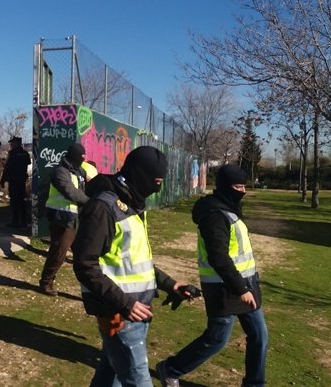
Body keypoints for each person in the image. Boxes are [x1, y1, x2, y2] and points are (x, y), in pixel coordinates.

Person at [72, 146, 198, 386]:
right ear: (137, 175)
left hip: (138, 311)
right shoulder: (103, 207)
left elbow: (133, 261)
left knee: (110, 377)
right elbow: (84, 264)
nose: (156, 188)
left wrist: (170, 284)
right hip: (120, 315)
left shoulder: (132, 204)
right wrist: (125, 303)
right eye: (154, 182)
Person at [156, 164, 268, 387]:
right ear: (226, 187)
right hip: (224, 288)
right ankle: (170, 369)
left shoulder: (229, 210)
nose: (242, 190)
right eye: (238, 186)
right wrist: (241, 289)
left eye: (245, 185)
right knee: (217, 338)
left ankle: (255, 384)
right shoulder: (215, 215)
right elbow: (219, 258)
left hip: (246, 284)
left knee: (259, 336)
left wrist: (248, 285)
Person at [39, 143, 89, 296]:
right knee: (59, 253)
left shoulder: (79, 170)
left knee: (84, 254)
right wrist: (91, 201)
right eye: (81, 156)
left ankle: (91, 287)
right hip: (62, 218)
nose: (83, 158)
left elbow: (87, 183)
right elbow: (70, 192)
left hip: (75, 218)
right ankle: (46, 282)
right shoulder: (60, 171)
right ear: (74, 156)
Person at [0, 136, 31, 228]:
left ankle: (15, 221)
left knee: (14, 200)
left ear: (17, 143)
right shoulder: (25, 153)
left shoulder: (12, 153)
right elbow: (28, 163)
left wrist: (3, 180)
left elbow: (8, 167)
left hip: (13, 179)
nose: (11, 145)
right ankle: (24, 221)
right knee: (21, 201)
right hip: (21, 180)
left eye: (12, 143)